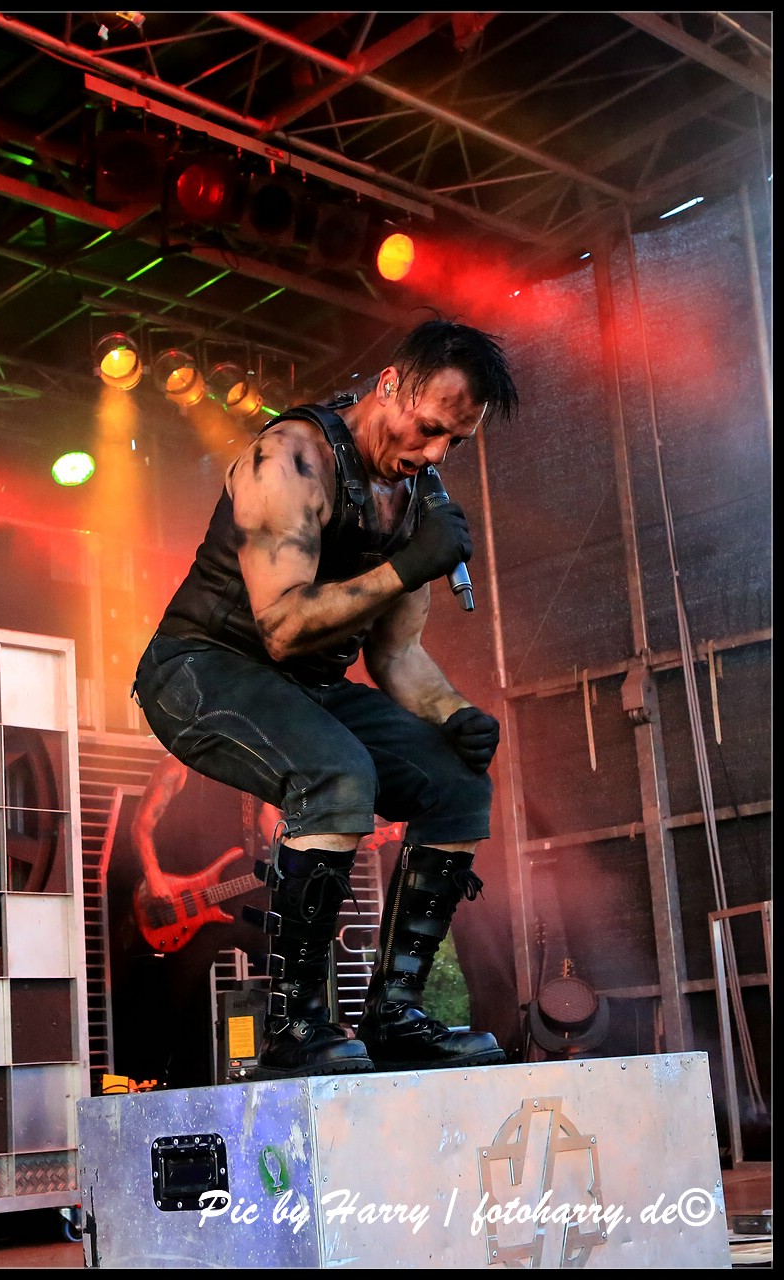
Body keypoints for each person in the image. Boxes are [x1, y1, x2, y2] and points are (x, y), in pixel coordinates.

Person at [133, 317, 519, 1080]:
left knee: (455, 785)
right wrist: (406, 566)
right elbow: (281, 628)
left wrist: (454, 715)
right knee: (337, 775)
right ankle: (296, 1025)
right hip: (200, 669)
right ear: (390, 387)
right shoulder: (288, 459)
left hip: (305, 687)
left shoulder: (412, 496)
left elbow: (396, 653)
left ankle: (394, 1015)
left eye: (455, 441)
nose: (436, 454)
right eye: (429, 428)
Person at [118, 749, 279, 1087]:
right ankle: (150, 1080)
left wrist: (297, 857)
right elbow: (141, 825)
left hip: (241, 893)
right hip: (186, 901)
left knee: (285, 956)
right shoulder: (177, 765)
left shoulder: (250, 770)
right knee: (175, 999)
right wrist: (154, 876)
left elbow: (270, 822)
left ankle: (287, 1052)